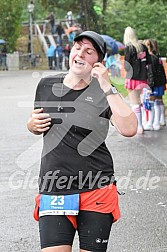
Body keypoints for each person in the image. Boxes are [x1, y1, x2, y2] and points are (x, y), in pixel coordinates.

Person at [27, 30, 137, 252]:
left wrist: (107, 86)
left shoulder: (104, 92)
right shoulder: (46, 85)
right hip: (54, 187)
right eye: (78, 48)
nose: (81, 54)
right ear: (70, 51)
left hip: (96, 187)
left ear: (98, 63)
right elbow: (36, 122)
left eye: (89, 52)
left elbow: (129, 128)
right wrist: (31, 125)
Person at [123, 26, 151, 134]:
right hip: (144, 79)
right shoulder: (143, 47)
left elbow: (126, 66)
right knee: (142, 102)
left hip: (133, 78)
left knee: (135, 103)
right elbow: (148, 62)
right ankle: (144, 122)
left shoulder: (129, 48)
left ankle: (139, 126)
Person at [143, 39, 166, 130]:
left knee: (152, 102)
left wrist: (150, 85)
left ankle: (153, 123)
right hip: (159, 82)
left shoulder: (151, 58)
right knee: (158, 101)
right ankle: (160, 120)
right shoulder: (157, 56)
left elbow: (151, 73)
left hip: (154, 83)